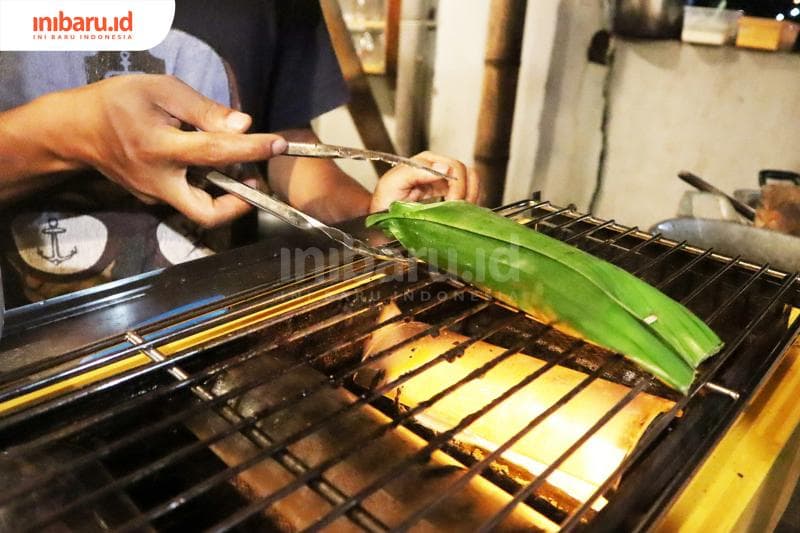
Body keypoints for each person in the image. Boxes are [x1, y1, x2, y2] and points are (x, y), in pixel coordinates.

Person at [0, 0, 479, 307]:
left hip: (221, 330)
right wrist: (67, 135)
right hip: (25, 356)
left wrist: (378, 218)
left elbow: (282, 146)